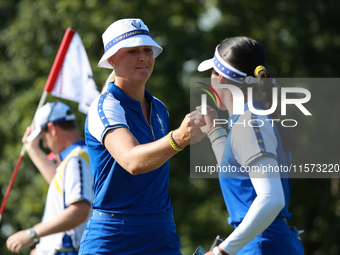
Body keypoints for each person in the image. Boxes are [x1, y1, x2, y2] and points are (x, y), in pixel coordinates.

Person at [78, 18, 204, 255]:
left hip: (161, 230)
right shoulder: (104, 106)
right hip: (114, 235)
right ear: (112, 59)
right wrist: (178, 138)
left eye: (147, 50)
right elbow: (132, 162)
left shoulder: (159, 107)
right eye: (133, 51)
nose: (143, 57)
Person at [193, 37, 304, 255]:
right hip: (264, 243)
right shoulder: (251, 119)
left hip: (262, 245)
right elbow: (239, 175)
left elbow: (271, 199)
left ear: (220, 78)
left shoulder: (249, 122)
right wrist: (215, 133)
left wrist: (220, 252)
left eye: (212, 72)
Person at [6, 101, 94, 255]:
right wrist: (33, 150)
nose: (45, 145)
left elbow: (79, 211)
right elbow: (58, 185)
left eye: (42, 137)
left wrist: (31, 234)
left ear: (52, 129)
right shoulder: (77, 158)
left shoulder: (76, 159)